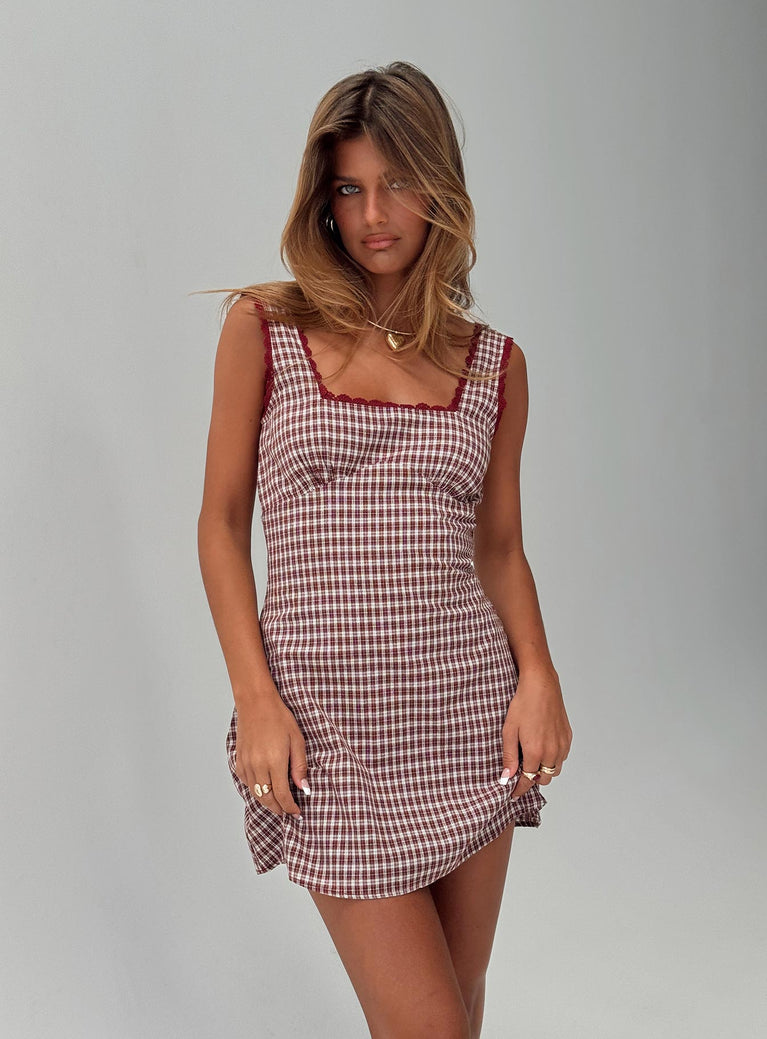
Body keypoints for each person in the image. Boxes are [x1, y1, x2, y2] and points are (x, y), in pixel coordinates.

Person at [197, 60, 572, 1039]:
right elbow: (221, 523)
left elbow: (499, 547)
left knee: (459, 1010)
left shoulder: (494, 365)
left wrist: (537, 677)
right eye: (349, 187)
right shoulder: (264, 328)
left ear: (439, 188)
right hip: (331, 738)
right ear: (321, 197)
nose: (373, 214)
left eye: (398, 183)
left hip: (467, 723)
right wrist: (255, 700)